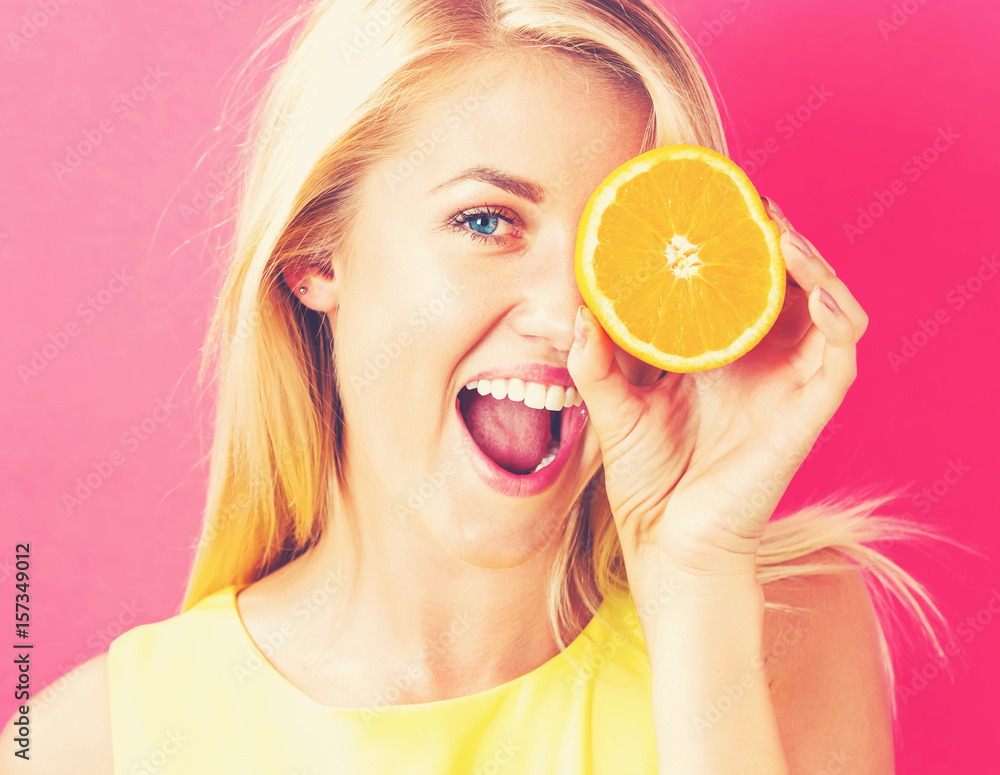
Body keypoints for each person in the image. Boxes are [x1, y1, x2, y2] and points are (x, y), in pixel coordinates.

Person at [2, 0, 957, 772]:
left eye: (608, 246)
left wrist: (694, 579)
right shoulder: (87, 747)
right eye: (487, 221)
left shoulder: (782, 631)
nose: (571, 314)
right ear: (313, 257)